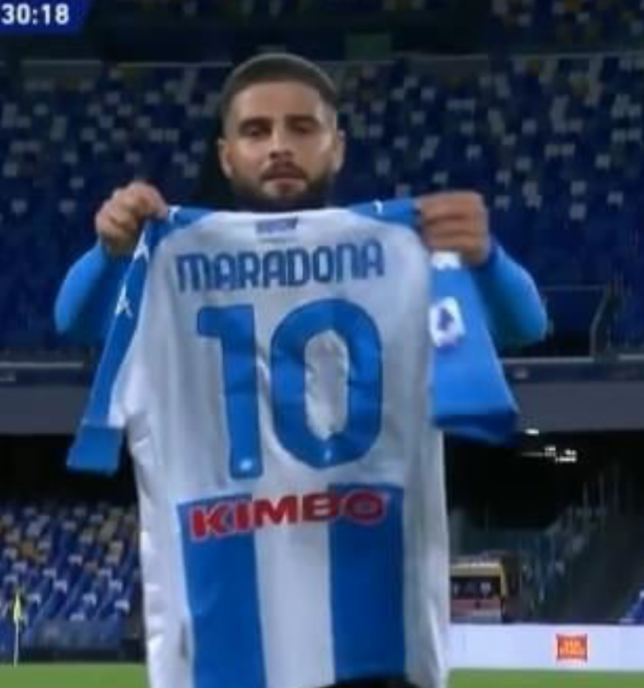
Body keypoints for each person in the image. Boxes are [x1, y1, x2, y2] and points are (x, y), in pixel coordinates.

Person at [56, 53, 547, 688]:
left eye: (302, 127)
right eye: (256, 131)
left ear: (337, 146)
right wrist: (110, 251)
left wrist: (484, 257)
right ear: (226, 154)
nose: (279, 146)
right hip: (232, 617)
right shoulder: (168, 257)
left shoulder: (403, 249)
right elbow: (75, 319)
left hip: (371, 619)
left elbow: (524, 324)